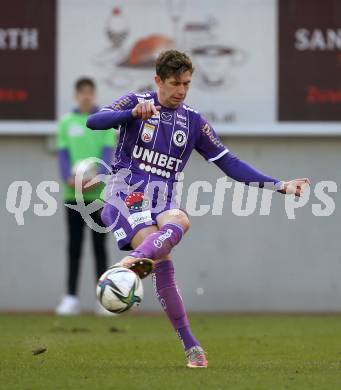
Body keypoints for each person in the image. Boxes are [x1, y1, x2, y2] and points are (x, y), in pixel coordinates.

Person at [86, 50, 310, 367]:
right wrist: (132, 114)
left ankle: (136, 267)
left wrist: (279, 185)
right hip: (125, 193)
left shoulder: (193, 121)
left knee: (176, 226)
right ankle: (183, 334)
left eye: (187, 84)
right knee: (167, 246)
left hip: (162, 198)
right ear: (158, 81)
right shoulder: (135, 102)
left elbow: (229, 163)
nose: (181, 90)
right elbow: (94, 121)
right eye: (175, 83)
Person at [56, 77, 116, 315]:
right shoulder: (66, 123)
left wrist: (96, 178)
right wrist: (68, 179)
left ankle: (103, 300)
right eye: (82, 92)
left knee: (100, 247)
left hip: (99, 197)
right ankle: (70, 298)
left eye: (90, 92)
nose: (86, 96)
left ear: (94, 94)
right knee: (74, 247)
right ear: (76, 95)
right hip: (73, 196)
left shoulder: (104, 122)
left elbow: (107, 153)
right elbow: (63, 155)